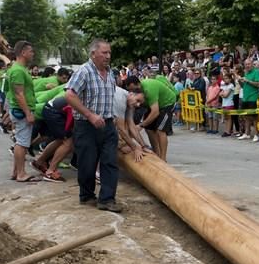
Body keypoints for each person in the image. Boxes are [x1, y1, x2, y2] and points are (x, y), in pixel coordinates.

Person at [65, 39, 122, 212]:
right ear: (93, 53)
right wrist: (90, 115)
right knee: (87, 164)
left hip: (108, 124)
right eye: (104, 53)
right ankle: (87, 195)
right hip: (86, 125)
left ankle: (107, 199)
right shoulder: (84, 71)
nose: (108, 56)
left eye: (109, 53)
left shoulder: (110, 73)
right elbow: (70, 95)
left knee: (110, 161)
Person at [7, 41, 41, 183]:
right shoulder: (18, 71)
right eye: (31, 51)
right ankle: (21, 173)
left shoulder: (20, 69)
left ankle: (16, 172)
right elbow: (19, 94)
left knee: (21, 141)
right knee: (22, 143)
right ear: (23, 53)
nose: (33, 54)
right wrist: (28, 113)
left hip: (21, 110)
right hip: (21, 111)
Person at [125, 74, 176, 160]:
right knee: (149, 129)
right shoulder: (136, 93)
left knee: (160, 130)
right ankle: (156, 153)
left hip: (167, 103)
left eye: (133, 89)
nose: (131, 91)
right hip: (153, 105)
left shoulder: (149, 88)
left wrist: (141, 125)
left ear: (138, 84)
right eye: (129, 90)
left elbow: (155, 112)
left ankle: (163, 158)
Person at [238, 58, 259, 142]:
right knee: (246, 117)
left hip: (253, 97)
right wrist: (240, 81)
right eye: (246, 64)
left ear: (252, 64)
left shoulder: (256, 72)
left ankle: (256, 134)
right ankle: (247, 133)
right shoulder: (246, 72)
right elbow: (243, 86)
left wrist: (248, 81)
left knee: (254, 117)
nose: (247, 66)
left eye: (249, 64)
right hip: (245, 97)